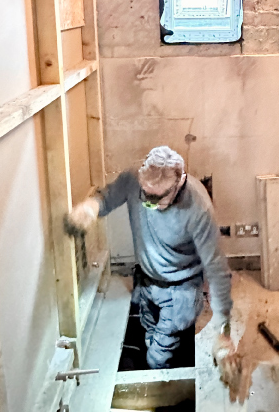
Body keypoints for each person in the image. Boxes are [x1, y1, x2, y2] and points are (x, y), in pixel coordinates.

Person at [65, 145, 239, 383]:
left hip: (181, 292)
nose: (149, 203)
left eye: (158, 198)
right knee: (148, 335)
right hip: (146, 282)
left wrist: (223, 334)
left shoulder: (198, 207)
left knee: (158, 357)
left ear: (179, 183)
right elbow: (106, 198)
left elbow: (218, 271)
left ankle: (164, 384)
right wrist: (89, 208)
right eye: (145, 195)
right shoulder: (133, 180)